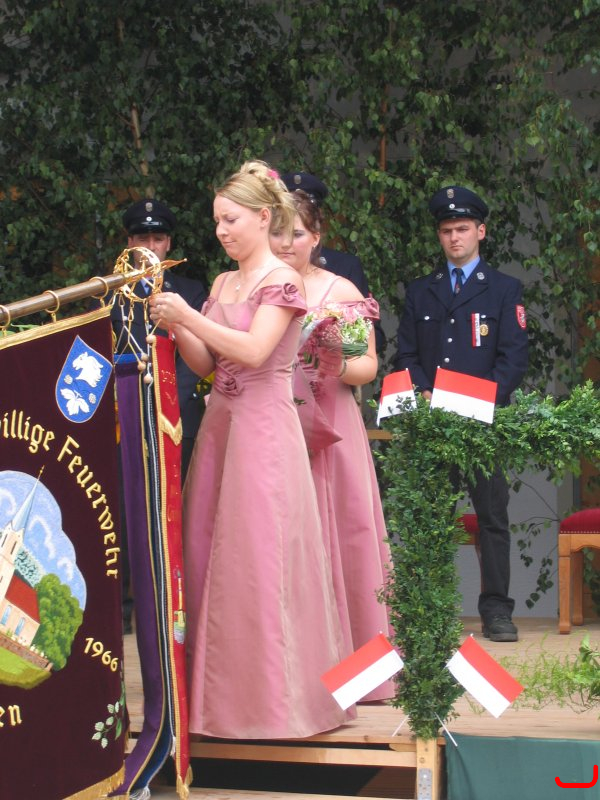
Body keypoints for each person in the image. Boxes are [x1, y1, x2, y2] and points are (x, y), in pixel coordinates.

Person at [148, 160, 354, 739]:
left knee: (260, 559)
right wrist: (174, 323)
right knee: (213, 555)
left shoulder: (282, 281)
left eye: (231, 220)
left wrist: (189, 316)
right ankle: (219, 702)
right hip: (222, 425)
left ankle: (274, 704)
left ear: (264, 218)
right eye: (216, 221)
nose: (221, 231)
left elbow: (256, 351)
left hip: (263, 430)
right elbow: (208, 365)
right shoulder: (222, 283)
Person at [270, 189, 394, 701]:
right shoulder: (258, 286)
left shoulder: (339, 289)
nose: (286, 243)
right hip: (276, 424)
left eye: (297, 233)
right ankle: (290, 675)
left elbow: (367, 366)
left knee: (344, 537)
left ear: (316, 237)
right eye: (277, 232)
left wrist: (327, 361)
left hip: (332, 424)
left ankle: (358, 674)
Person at [394, 186, 529, 642]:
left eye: (463, 229)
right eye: (447, 230)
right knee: (431, 518)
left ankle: (497, 611)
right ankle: (430, 611)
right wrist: (424, 392)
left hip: (483, 425)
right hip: (435, 424)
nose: (455, 238)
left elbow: (512, 360)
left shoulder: (504, 289)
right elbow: (407, 355)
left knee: (492, 518)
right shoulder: (421, 291)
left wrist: (477, 403)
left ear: (481, 232)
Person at [109, 199, 207, 634]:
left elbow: (196, 360)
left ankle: (175, 607)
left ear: (169, 243)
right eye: (142, 238)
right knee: (123, 514)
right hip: (123, 422)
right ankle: (122, 610)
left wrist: (168, 406)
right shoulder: (108, 293)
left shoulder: (192, 291)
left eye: (158, 238)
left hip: (176, 421)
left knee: (177, 515)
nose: (150, 246)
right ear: (129, 242)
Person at [280, 171, 386, 353]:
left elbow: (368, 343)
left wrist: (330, 346)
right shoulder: (257, 276)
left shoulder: (344, 267)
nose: (286, 242)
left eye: (297, 233)